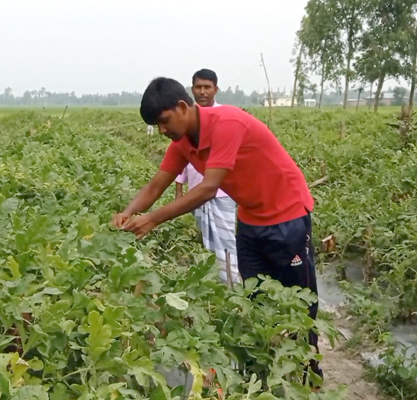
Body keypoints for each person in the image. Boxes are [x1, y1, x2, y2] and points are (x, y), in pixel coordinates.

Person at [111, 77, 323, 386]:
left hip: (288, 216)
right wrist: (128, 213)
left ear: (183, 107)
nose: (162, 130)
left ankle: (309, 375)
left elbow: (209, 188)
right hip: (251, 220)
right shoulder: (182, 142)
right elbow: (157, 184)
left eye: (164, 121)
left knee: (300, 303)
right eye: (157, 125)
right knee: (253, 300)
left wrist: (153, 219)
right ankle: (264, 378)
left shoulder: (226, 123)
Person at [175, 69, 240, 285]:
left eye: (207, 87)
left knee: (226, 243)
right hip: (196, 192)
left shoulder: (225, 117)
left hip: (222, 193)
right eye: (198, 87)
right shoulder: (186, 119)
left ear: (215, 89)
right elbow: (181, 159)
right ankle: (215, 286)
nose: (202, 91)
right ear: (191, 89)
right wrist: (179, 189)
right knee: (207, 244)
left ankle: (232, 285)